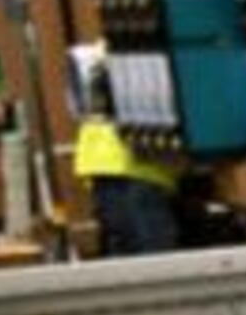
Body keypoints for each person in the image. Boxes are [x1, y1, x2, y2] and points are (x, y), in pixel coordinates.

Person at [67, 46, 184, 257]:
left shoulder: (101, 52)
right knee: (154, 261)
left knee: (123, 256)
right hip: (135, 166)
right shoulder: (148, 52)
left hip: (103, 165)